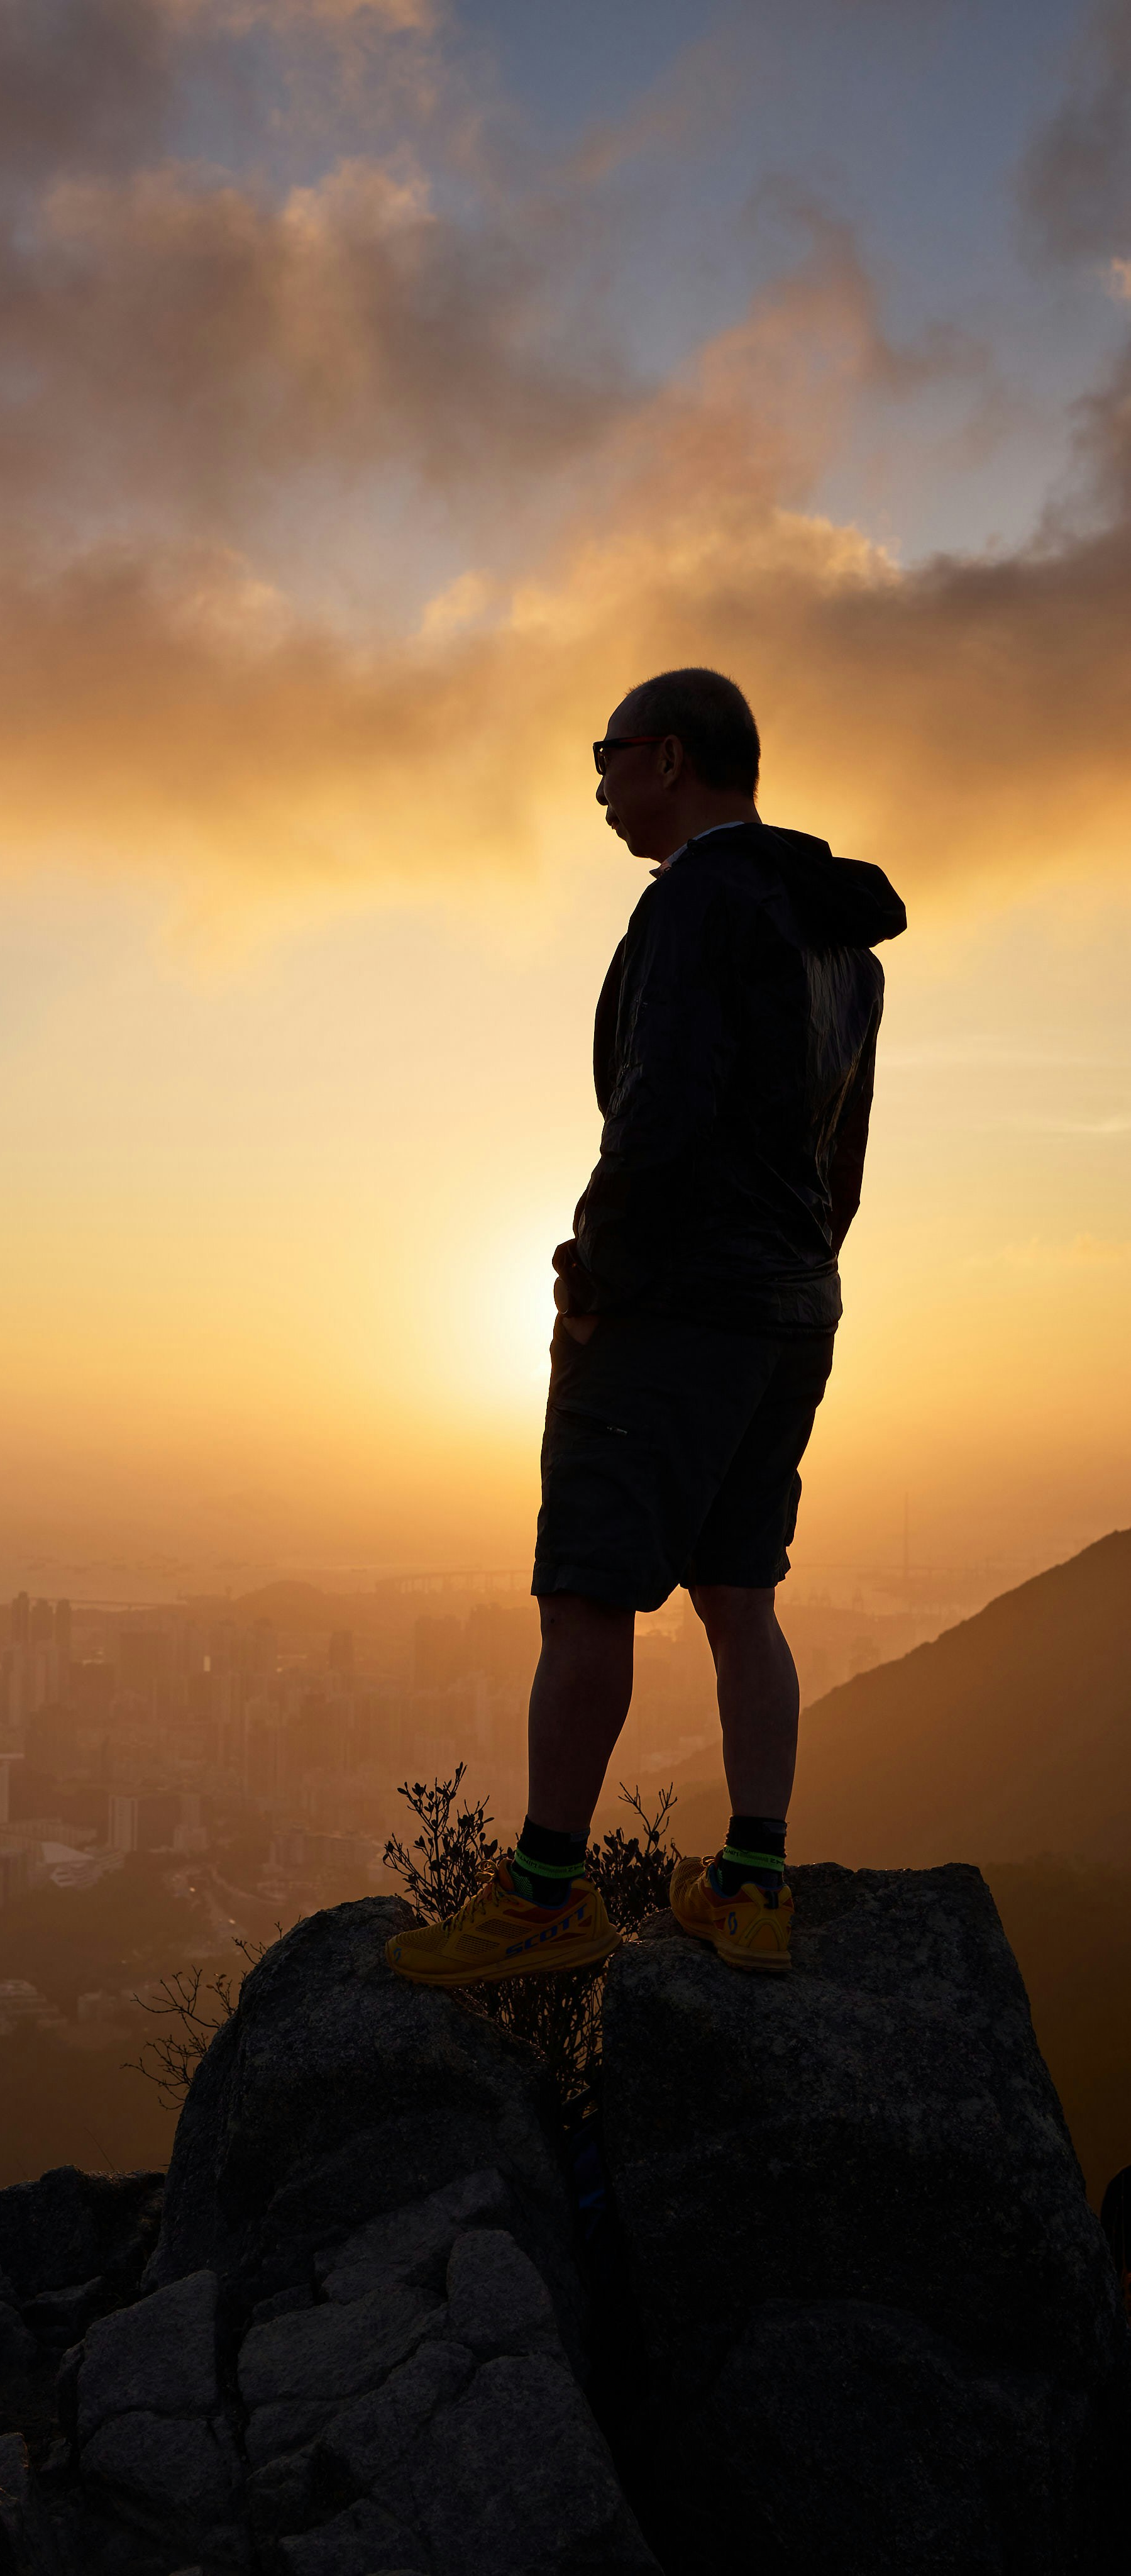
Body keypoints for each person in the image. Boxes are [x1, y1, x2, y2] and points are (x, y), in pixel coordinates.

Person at [389, 667, 904, 1988]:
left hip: (673, 1302)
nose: (601, 785)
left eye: (610, 757)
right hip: (791, 1306)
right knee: (742, 1592)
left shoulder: (694, 905)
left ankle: (548, 1890)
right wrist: (790, 1272)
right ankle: (753, 1876)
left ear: (670, 757)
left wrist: (592, 1273)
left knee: (585, 1591)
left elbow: (658, 1113)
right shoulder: (833, 932)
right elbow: (840, 1157)